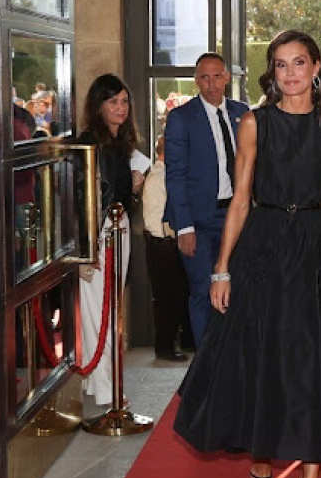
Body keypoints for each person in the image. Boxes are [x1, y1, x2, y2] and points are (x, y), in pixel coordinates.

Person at [174, 30, 321, 478]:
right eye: (281, 64)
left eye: (299, 62)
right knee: (264, 355)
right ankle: (262, 450)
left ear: (316, 67)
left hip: (316, 247)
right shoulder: (254, 123)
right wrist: (221, 268)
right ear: (272, 72)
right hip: (263, 246)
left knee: (312, 364)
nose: (290, 73)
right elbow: (239, 200)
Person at [76, 74, 151, 405]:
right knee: (99, 311)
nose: (120, 108)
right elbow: (82, 200)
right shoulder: (89, 143)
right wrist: (86, 247)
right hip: (99, 236)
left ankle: (100, 384)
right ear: (98, 106)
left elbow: (117, 196)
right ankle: (106, 388)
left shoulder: (120, 143)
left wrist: (133, 188)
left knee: (109, 310)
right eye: (112, 101)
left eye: (124, 101)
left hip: (117, 234)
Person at [164, 53, 249, 343]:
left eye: (217, 76)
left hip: (236, 217)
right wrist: (184, 227)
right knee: (202, 290)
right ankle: (206, 367)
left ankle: (231, 364)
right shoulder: (181, 118)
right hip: (198, 222)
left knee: (236, 291)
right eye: (204, 77)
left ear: (227, 77)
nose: (211, 84)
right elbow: (174, 175)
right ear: (196, 80)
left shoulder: (243, 113)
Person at [142, 134, 194, 362]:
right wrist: (170, 238)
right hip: (162, 245)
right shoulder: (157, 178)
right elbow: (155, 220)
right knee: (166, 299)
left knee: (177, 295)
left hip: (166, 244)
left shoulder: (164, 176)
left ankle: (180, 341)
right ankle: (164, 347)